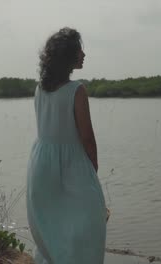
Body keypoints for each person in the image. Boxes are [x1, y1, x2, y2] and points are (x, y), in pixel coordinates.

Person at [26, 27, 108, 264]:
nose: (84, 54)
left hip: (40, 163)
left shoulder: (39, 88)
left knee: (50, 227)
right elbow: (87, 138)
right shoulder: (77, 90)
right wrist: (92, 170)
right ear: (68, 56)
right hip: (71, 163)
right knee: (90, 225)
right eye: (79, 50)